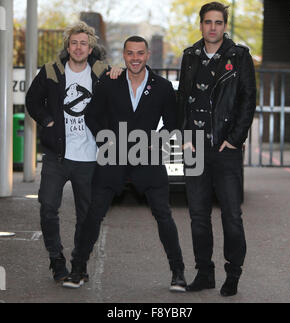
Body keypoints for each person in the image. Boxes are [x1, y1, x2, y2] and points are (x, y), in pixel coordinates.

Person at [63, 36, 186, 291]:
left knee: (163, 215)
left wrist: (157, 142)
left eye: (140, 53)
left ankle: (178, 274)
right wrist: (105, 141)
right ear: (124, 55)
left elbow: (173, 125)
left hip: (147, 157)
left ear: (148, 55)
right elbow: (91, 116)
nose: (135, 58)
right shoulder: (110, 81)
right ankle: (77, 270)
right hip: (113, 157)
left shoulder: (162, 87)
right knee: (93, 214)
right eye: (130, 53)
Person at [26, 21, 122, 283]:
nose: (78, 48)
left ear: (91, 48)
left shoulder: (102, 72)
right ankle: (56, 260)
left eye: (84, 43)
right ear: (68, 47)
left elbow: (122, 97)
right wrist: (47, 121)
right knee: (47, 206)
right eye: (74, 43)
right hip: (57, 155)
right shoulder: (51, 71)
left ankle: (79, 264)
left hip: (90, 157)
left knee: (87, 216)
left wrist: (118, 72)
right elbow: (32, 100)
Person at [177, 2, 256, 296]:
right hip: (194, 148)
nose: (213, 27)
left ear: (224, 25)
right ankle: (204, 273)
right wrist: (184, 135)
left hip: (226, 148)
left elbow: (248, 101)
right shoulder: (189, 56)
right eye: (208, 22)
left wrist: (234, 139)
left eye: (218, 22)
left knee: (231, 215)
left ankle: (232, 273)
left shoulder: (239, 57)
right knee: (198, 214)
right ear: (201, 25)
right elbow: (182, 98)